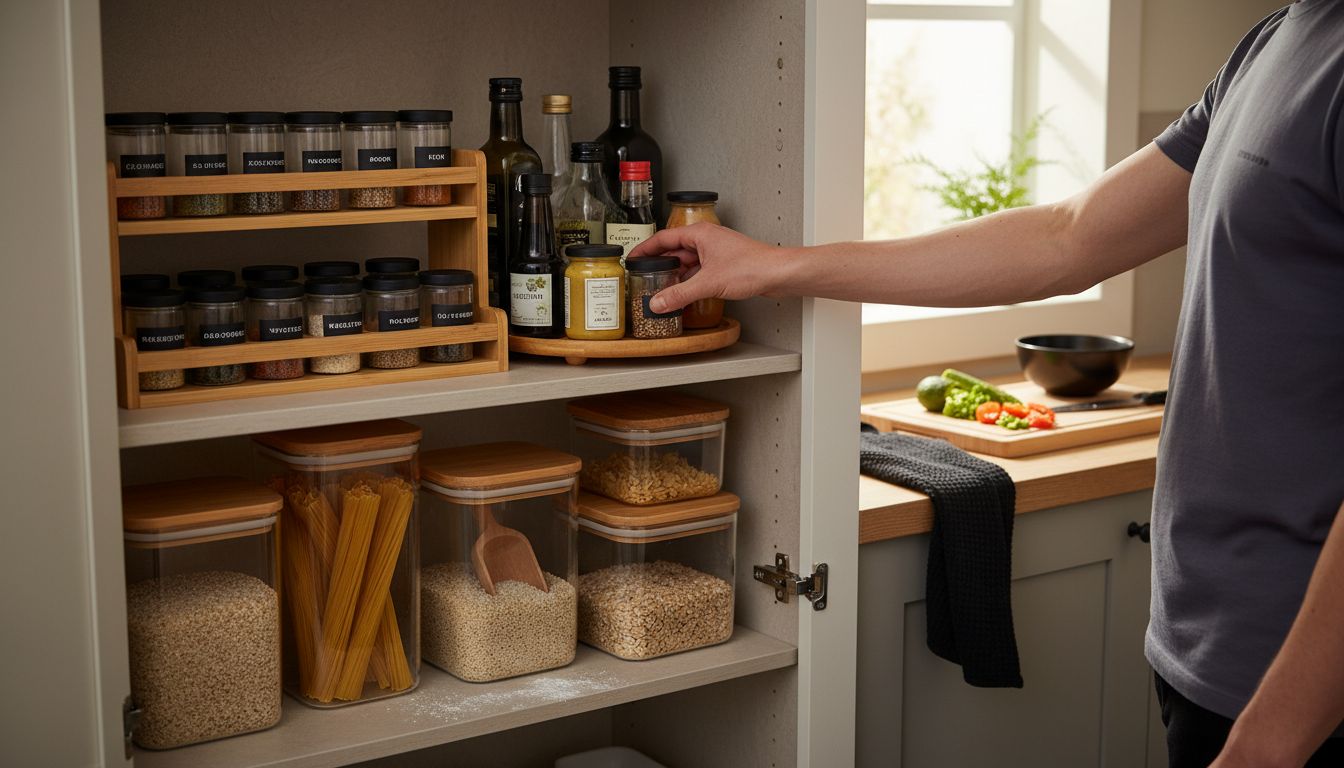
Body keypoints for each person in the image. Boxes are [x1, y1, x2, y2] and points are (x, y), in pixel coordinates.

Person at [630, 3, 1344, 766]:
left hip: (1296, 703)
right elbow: (1067, 237)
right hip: (1204, 651)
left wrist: (1271, 743)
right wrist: (776, 266)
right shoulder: (1277, 39)